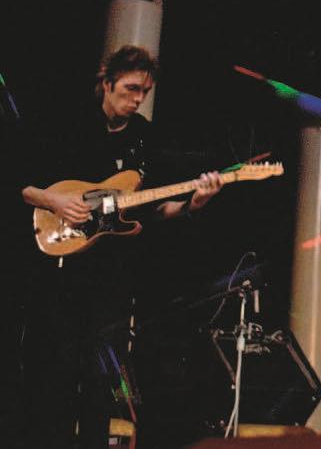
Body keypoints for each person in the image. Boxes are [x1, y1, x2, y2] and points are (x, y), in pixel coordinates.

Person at [17, 46, 222, 448]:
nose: (137, 99)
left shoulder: (146, 139)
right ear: (107, 83)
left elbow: (154, 210)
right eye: (130, 89)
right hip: (60, 273)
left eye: (144, 91)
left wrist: (193, 204)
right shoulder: (68, 123)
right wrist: (55, 201)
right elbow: (21, 184)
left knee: (101, 378)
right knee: (54, 375)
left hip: (111, 276)